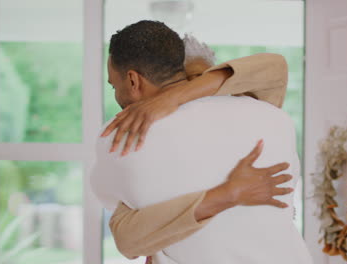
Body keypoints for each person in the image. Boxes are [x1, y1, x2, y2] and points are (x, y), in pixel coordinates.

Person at [90, 20, 312, 263]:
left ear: (133, 80)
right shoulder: (274, 118)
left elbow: (124, 231)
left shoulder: (121, 135)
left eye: (114, 85)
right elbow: (126, 236)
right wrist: (226, 194)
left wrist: (172, 98)